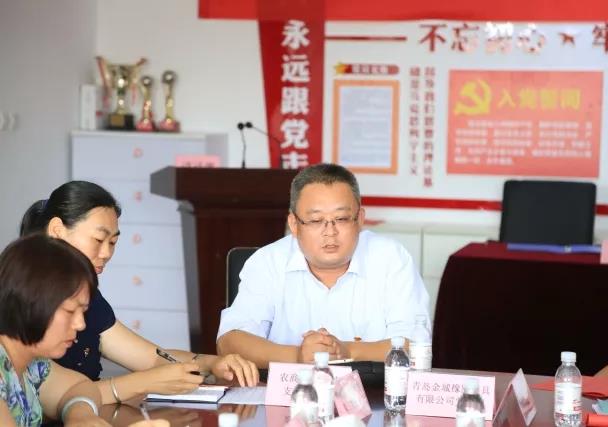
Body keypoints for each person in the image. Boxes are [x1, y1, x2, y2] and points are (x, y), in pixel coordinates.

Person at [20, 181, 258, 406]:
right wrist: (144, 382)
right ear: (57, 230)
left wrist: (212, 363)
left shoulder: (90, 300)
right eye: (99, 239)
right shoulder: (20, 298)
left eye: (113, 243)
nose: (106, 253)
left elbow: (151, 358)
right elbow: (54, 394)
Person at [217, 163, 431, 368]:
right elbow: (229, 341)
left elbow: (415, 344)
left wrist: (347, 351)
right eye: (316, 221)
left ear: (359, 219)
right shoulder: (267, 262)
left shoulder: (391, 258)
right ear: (294, 224)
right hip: (289, 390)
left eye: (341, 218)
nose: (330, 232)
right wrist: (297, 355)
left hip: (373, 391)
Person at [0, 234, 107, 426]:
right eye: (70, 311)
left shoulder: (33, 364)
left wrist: (81, 417)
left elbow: (78, 387)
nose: (80, 324)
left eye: (82, 311)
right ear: (30, 301)